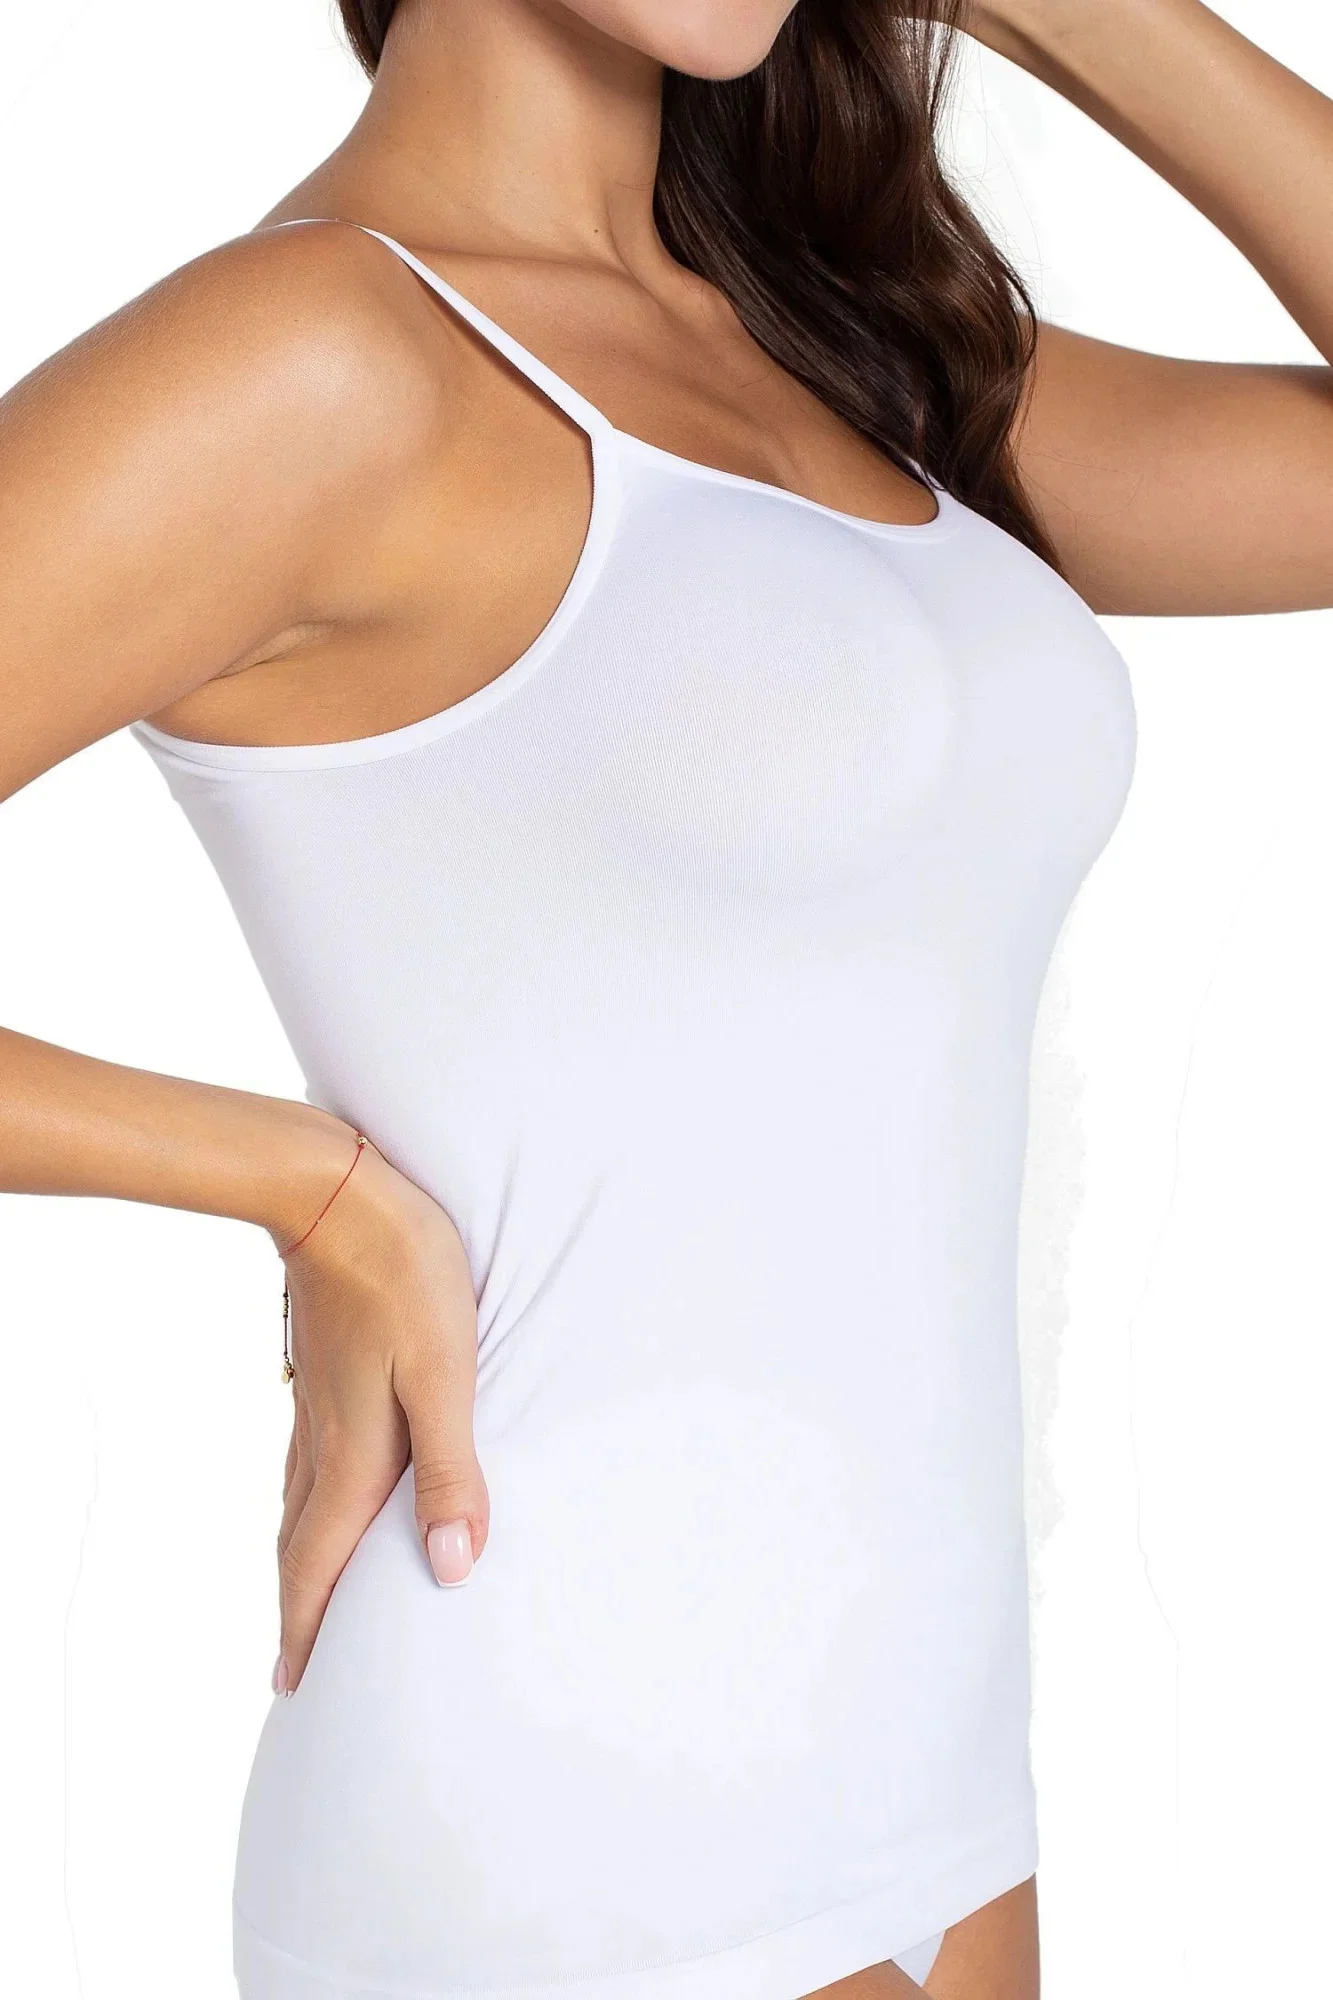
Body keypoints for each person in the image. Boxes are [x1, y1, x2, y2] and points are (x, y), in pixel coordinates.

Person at [2, 2, 1330, 1995]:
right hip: (561, 1802)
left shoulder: (839, 340)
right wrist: (304, 1187)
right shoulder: (320, 358)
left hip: (932, 1778)